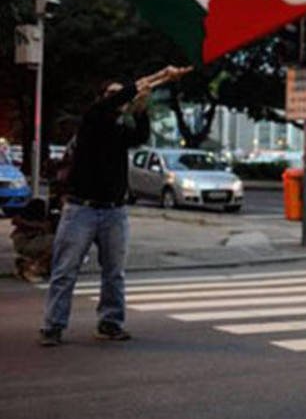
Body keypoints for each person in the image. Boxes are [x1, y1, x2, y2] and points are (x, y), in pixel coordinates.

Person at [39, 65, 192, 346]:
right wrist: (159, 76)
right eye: (113, 94)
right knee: (65, 270)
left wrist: (143, 107)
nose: (119, 98)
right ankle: (53, 326)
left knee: (114, 272)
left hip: (114, 210)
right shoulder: (92, 119)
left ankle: (110, 322)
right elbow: (122, 97)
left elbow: (141, 136)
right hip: (81, 209)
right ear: (103, 98)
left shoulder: (120, 130)